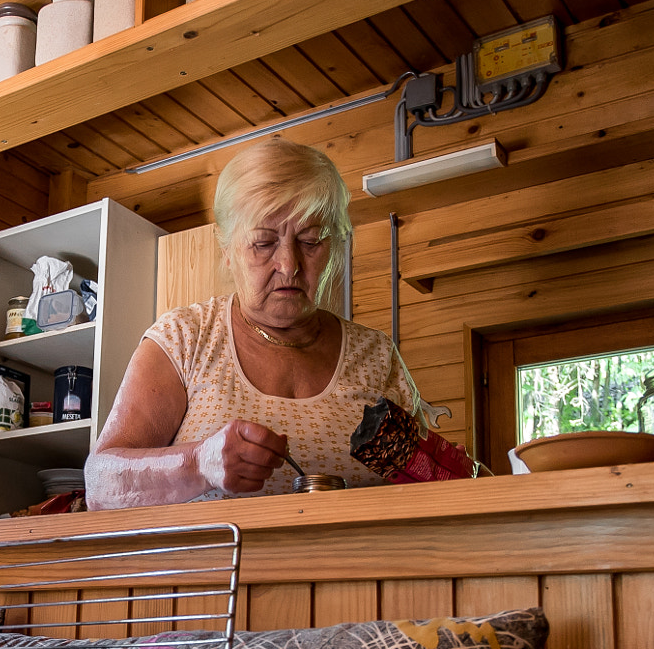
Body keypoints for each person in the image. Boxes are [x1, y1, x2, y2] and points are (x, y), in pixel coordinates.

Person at [86, 137, 427, 509]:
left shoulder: (376, 355)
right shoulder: (185, 338)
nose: (289, 264)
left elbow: (426, 484)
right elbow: (100, 486)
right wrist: (198, 464)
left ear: (335, 248)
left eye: (310, 241)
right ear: (228, 252)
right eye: (263, 243)